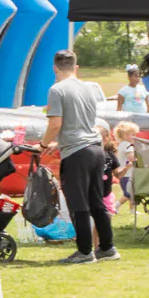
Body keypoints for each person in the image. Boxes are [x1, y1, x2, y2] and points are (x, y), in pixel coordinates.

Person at [43, 49, 117, 264]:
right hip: (95, 148)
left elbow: (55, 124)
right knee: (96, 201)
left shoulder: (57, 89)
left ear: (55, 68)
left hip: (76, 153)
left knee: (78, 203)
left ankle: (85, 251)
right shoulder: (88, 88)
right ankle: (107, 248)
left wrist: (43, 144)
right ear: (76, 67)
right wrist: (59, 142)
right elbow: (81, 123)